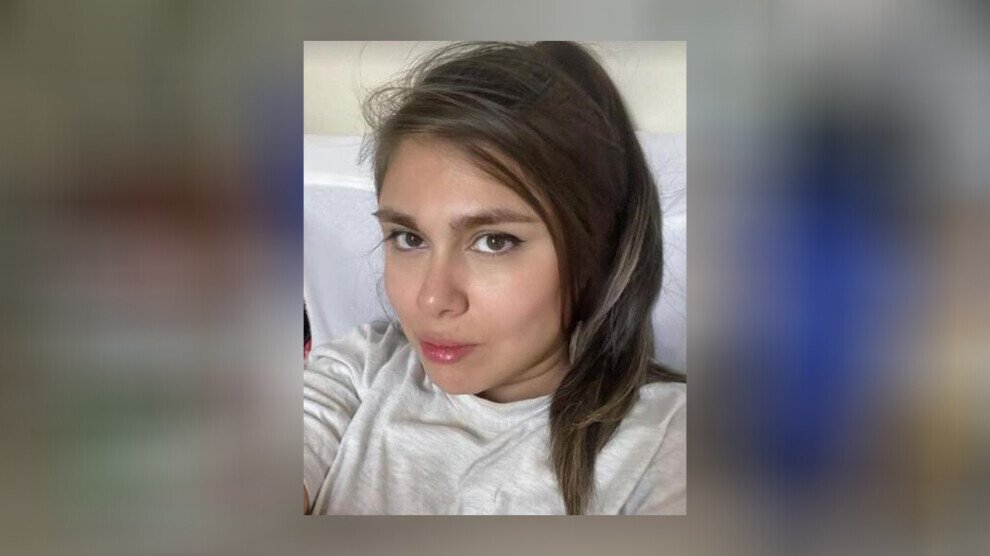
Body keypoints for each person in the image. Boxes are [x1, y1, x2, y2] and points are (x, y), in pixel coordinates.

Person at [303, 41, 686, 515]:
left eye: (494, 241)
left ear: (598, 253)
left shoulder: (665, 447)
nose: (432, 299)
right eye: (409, 238)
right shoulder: (360, 369)